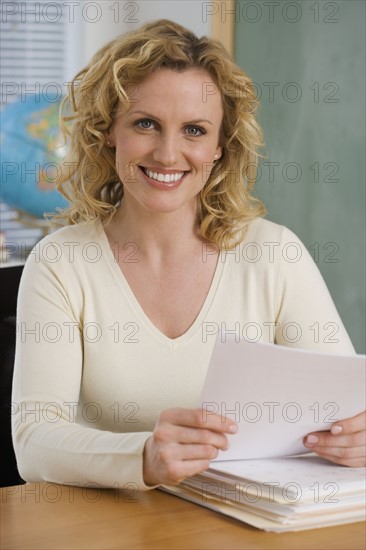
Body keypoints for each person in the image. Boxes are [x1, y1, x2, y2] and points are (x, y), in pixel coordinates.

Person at [12, 19, 365, 491]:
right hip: (112, 529)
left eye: (194, 130)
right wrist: (144, 457)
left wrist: (355, 436)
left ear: (220, 148)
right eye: (145, 124)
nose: (167, 153)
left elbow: (346, 406)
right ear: (109, 131)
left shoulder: (276, 255)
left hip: (247, 525)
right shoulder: (61, 263)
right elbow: (33, 442)